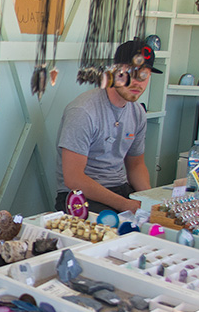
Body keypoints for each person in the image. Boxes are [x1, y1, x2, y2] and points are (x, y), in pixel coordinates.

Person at [54, 39, 158, 215]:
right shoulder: (84, 111)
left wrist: (148, 200)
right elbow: (73, 178)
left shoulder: (138, 113)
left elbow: (136, 166)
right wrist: (125, 205)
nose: (137, 82)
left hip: (120, 189)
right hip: (79, 196)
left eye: (144, 75)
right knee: (115, 230)